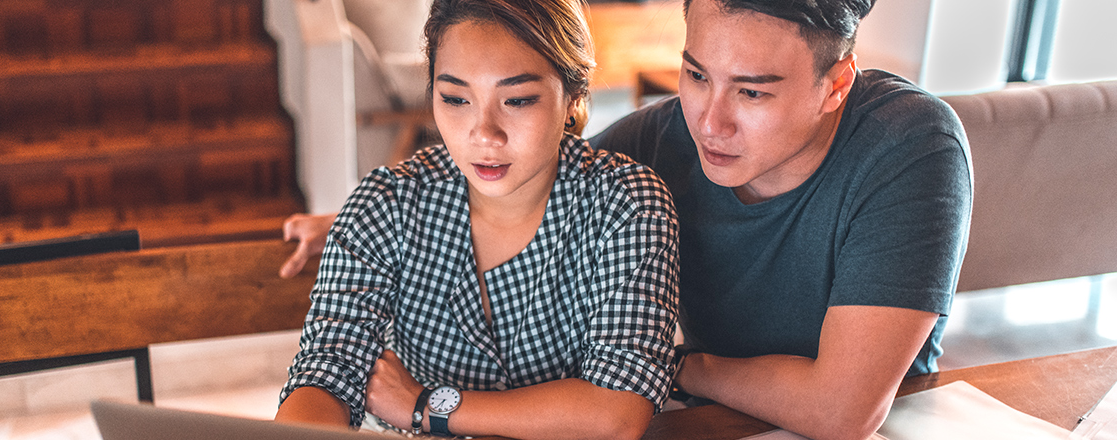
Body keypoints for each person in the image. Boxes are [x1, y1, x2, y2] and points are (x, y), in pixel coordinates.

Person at [280, 0, 973, 439]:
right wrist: (355, 221)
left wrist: (670, 369)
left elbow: (840, 412)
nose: (709, 120)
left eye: (752, 92)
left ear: (836, 85)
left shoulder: (908, 145)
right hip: (701, 418)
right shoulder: (663, 140)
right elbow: (520, 172)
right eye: (696, 74)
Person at [274, 0, 679, 439]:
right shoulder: (385, 205)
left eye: (518, 100)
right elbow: (327, 373)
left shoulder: (626, 205)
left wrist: (428, 406)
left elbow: (616, 415)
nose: (484, 133)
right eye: (455, 99)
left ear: (573, 97)